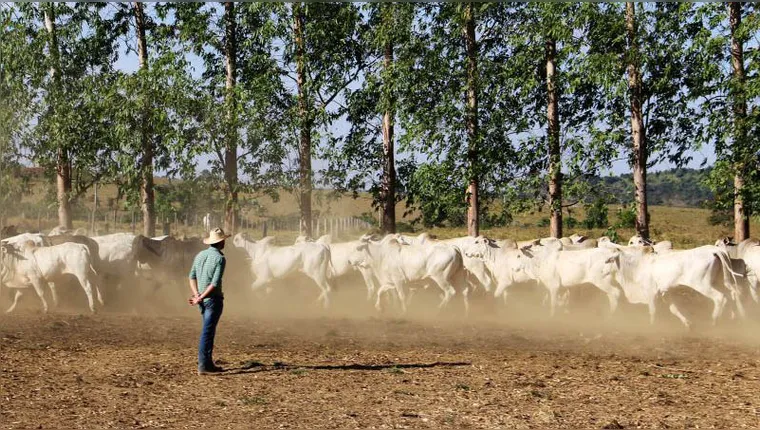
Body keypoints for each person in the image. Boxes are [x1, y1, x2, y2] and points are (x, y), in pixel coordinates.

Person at [188, 227, 230, 375]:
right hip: (213, 299)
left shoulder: (200, 255)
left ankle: (208, 363)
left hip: (202, 300)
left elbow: (191, 276)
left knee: (208, 330)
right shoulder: (220, 258)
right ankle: (204, 366)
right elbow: (215, 283)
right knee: (208, 332)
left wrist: (197, 295)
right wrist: (201, 296)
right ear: (221, 241)